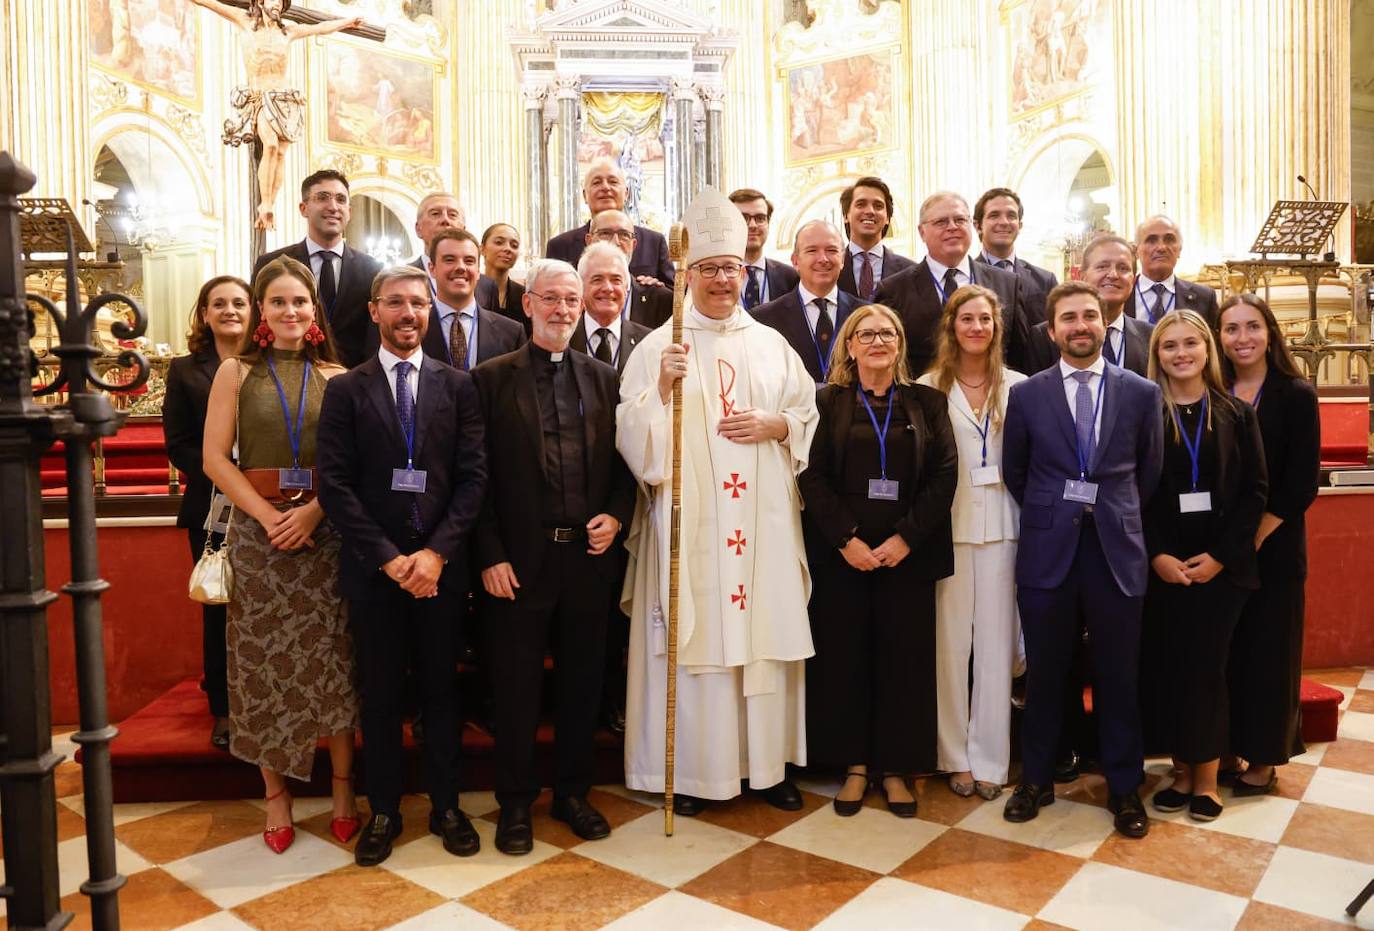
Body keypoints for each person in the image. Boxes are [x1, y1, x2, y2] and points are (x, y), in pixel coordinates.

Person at [618, 187, 819, 815]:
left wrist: (778, 427)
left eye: (730, 268)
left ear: (744, 272)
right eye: (708, 269)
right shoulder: (659, 347)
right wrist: (659, 387)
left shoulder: (772, 344)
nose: (721, 280)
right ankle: (698, 774)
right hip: (691, 524)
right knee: (698, 637)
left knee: (763, 639)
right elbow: (632, 438)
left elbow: (807, 412)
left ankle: (768, 768)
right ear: (687, 274)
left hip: (762, 525)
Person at [316, 265, 487, 866]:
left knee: (442, 694)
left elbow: (473, 479)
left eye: (418, 302)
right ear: (374, 311)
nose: (408, 313)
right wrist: (391, 561)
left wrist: (436, 555)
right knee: (381, 696)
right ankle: (384, 809)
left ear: (430, 308)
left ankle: (446, 806)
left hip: (441, 572)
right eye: (396, 303)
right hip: (376, 573)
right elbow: (334, 486)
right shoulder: (346, 390)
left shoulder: (458, 385)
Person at [472, 259, 636, 855]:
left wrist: (616, 516)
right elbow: (476, 477)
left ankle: (571, 793)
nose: (563, 309)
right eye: (552, 299)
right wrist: (488, 553)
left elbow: (625, 465)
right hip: (517, 561)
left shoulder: (604, 379)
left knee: (581, 686)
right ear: (528, 304)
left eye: (572, 299)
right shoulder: (489, 379)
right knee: (515, 690)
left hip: (587, 560)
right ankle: (515, 804)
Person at [202, 256, 359, 855]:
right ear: (261, 313)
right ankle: (277, 796)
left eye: (300, 302)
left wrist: (315, 510)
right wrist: (268, 516)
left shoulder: (339, 376)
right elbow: (216, 458)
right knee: (259, 661)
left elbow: (351, 465)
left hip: (325, 533)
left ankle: (343, 790)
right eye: (277, 303)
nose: (290, 312)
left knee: (335, 659)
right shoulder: (235, 374)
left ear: (313, 311)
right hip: (258, 534)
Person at [1001, 280, 1163, 840]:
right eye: (1068, 317)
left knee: (1120, 675)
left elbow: (1150, 472)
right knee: (1046, 673)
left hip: (1117, 553)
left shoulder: (1142, 392)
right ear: (1052, 330)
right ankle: (1037, 779)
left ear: (1104, 322)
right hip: (1049, 551)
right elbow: (1015, 472)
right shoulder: (1027, 395)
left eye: (1089, 316)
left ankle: (1124, 787)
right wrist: (1058, 512)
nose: (1080, 326)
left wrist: (1110, 512)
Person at [798, 304, 956, 817]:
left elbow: (944, 476)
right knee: (844, 660)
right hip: (843, 556)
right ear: (849, 345)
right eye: (865, 334)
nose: (876, 341)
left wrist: (905, 539)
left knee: (904, 663)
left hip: (907, 556)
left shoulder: (928, 403)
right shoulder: (827, 402)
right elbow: (811, 475)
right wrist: (846, 539)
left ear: (900, 344)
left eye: (887, 332)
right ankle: (854, 766)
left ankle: (896, 770)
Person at [1142, 310, 1267, 822]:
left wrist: (1220, 557)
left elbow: (1255, 492)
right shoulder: (1145, 414)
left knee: (1208, 673)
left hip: (1221, 569)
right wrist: (1157, 555)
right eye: (1169, 346)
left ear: (1207, 349)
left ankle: (1208, 780)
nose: (1181, 354)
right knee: (1171, 670)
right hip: (1164, 568)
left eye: (1190, 343)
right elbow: (1133, 492)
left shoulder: (1235, 413)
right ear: (1158, 355)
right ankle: (1180, 770)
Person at [917, 285, 1025, 800]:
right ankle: (953, 757)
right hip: (949, 529)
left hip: (1005, 527)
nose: (977, 327)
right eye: (967, 319)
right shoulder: (927, 388)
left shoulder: (1021, 388)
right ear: (951, 326)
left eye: (986, 319)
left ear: (997, 327)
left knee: (996, 649)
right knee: (948, 648)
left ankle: (990, 760)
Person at [1216, 294, 1319, 796]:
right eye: (1231, 329)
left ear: (1270, 332)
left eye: (1252, 327)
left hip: (1273, 549)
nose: (1242, 338)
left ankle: (1264, 759)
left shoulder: (1294, 393)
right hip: (1225, 548)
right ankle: (1228, 749)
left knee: (1270, 657)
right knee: (1229, 655)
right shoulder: (1217, 388)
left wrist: (1251, 539)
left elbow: (1301, 485)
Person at [569, 242, 653, 736]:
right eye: (596, 279)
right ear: (581, 287)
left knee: (626, 615)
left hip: (635, 496)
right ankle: (586, 701)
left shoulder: (651, 343)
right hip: (575, 499)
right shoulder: (559, 339)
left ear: (628, 288)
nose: (607, 288)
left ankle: (620, 701)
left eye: (615, 280)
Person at [164, 275, 250, 751]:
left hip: (267, 502)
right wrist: (223, 474)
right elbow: (177, 444)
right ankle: (224, 707)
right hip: (213, 504)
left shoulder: (266, 363)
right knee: (220, 605)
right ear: (205, 313)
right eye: (220, 303)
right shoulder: (184, 370)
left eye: (239, 302)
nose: (230, 310)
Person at [188, 0, 363, 230]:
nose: (277, 5)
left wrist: (347, 22)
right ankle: (265, 204)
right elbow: (210, 3)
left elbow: (319, 27)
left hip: (284, 99)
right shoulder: (245, 21)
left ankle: (271, 203)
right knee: (269, 145)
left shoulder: (288, 31)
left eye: (281, 2)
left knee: (280, 153)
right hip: (261, 97)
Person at [873, 191, 1030, 375]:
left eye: (960, 220)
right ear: (922, 232)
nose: (952, 227)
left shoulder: (1006, 284)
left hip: (990, 397)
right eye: (941, 222)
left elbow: (1020, 356)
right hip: (921, 399)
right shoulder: (894, 290)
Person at [252, 169, 382, 368]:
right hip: (285, 374)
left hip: (354, 380)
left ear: (350, 211)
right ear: (303, 208)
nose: (333, 207)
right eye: (322, 198)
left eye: (340, 199)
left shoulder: (372, 269)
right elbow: (256, 324)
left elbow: (374, 335)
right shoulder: (271, 263)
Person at [753, 220, 866, 385]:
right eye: (812, 250)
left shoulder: (864, 314)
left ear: (842, 260)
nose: (823, 259)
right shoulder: (764, 320)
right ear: (795, 261)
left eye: (831, 250)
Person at [1025, 234, 1153, 376]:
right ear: (1082, 276)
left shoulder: (1151, 337)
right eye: (1102, 266)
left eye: (1123, 268)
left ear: (1134, 279)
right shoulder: (1043, 338)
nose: (1113, 274)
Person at [545, 157, 674, 284]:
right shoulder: (560, 246)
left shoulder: (653, 242)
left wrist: (657, 289)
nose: (605, 187)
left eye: (613, 182)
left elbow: (676, 296)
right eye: (597, 182)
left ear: (626, 194)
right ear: (585, 195)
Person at [423, 229, 526, 369]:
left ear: (478, 271)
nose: (460, 267)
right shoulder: (414, 328)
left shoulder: (512, 333)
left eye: (469, 261)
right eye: (449, 260)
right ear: (432, 268)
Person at [973, 187, 1058, 326]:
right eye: (994, 215)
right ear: (978, 226)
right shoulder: (966, 277)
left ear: (1020, 225)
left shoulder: (1045, 280)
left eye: (1011, 216)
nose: (1004, 222)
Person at [585, 209, 674, 327]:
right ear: (589, 240)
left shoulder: (660, 299)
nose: (615, 242)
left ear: (634, 244)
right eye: (605, 233)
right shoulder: (571, 295)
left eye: (624, 235)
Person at [1127, 216, 1218, 326]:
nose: (1161, 247)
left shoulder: (1204, 298)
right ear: (1137, 251)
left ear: (1179, 249)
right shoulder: (1121, 296)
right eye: (1151, 240)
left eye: (1169, 240)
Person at [837, 176, 914, 300]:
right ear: (846, 215)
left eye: (878, 206)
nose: (870, 211)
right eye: (861, 204)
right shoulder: (831, 268)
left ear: (888, 218)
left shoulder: (910, 271)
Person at [728, 187, 799, 309]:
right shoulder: (716, 276)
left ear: (768, 223)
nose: (752, 225)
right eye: (743, 218)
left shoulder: (791, 278)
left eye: (760, 218)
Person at [475, 222, 525, 327]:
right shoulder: (469, 290)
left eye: (514, 245)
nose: (508, 249)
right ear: (482, 249)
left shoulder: (524, 295)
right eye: (499, 242)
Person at [409, 192, 465, 284]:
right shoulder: (398, 279)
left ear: (463, 230)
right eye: (435, 214)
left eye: (452, 215)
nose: (445, 220)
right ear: (418, 229)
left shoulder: (485, 286)